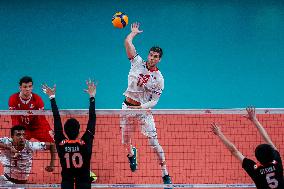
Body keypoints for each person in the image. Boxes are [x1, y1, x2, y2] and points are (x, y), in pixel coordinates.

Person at [121, 22, 172, 186]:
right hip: (127, 108)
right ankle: (131, 155)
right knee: (125, 141)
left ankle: (165, 173)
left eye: (156, 56)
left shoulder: (159, 79)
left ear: (159, 59)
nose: (152, 58)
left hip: (143, 112)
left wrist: (140, 108)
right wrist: (133, 33)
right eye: (151, 55)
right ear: (148, 55)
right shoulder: (137, 62)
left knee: (154, 144)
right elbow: (128, 44)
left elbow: (154, 101)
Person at [42, 79, 97, 189]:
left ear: (64, 131)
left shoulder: (61, 142)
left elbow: (56, 119)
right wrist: (92, 96)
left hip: (67, 181)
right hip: (84, 181)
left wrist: (52, 97)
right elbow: (92, 119)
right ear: (79, 130)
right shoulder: (86, 141)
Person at [211, 107, 284, 189]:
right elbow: (268, 140)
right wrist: (254, 120)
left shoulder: (255, 170)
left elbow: (234, 151)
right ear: (271, 153)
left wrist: (219, 133)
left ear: (258, 158)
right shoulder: (277, 162)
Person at [8, 76, 55, 170]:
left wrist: (48, 129)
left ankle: (52, 165)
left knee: (52, 143)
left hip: (38, 126)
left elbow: (41, 118)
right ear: (20, 88)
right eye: (25, 87)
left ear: (32, 87)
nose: (27, 89)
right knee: (14, 144)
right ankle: (14, 163)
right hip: (23, 128)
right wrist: (17, 133)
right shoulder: (13, 99)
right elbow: (14, 118)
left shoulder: (38, 99)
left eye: (30, 86)